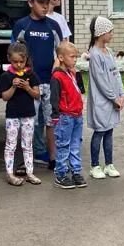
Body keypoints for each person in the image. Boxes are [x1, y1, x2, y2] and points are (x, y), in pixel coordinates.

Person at [11, 0, 63, 169]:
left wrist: (56, 70)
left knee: (50, 121)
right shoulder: (22, 25)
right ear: (30, 3)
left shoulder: (54, 25)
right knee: (28, 122)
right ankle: (27, 160)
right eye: (41, 3)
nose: (45, 7)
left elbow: (61, 51)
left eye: (48, 3)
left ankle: (53, 159)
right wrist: (24, 77)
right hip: (29, 83)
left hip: (49, 82)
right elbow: (15, 53)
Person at [86, 16, 124, 179]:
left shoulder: (108, 52)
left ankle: (109, 164)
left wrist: (122, 94)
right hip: (102, 101)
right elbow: (101, 81)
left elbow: (116, 74)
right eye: (110, 32)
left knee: (109, 132)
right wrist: (113, 98)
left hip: (113, 100)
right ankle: (95, 165)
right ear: (101, 33)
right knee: (100, 132)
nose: (112, 35)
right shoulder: (95, 55)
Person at [0, 42, 41, 186]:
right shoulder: (6, 76)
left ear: (26, 59)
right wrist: (13, 87)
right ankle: (9, 173)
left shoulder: (31, 74)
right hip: (12, 114)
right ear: (9, 59)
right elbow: (5, 97)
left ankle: (29, 172)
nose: (18, 65)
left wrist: (27, 87)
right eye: (15, 62)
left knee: (27, 144)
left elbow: (37, 95)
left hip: (28, 114)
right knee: (11, 144)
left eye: (21, 62)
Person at [50, 41, 85, 189]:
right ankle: (61, 173)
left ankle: (76, 171)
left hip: (77, 114)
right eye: (72, 56)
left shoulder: (72, 73)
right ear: (61, 57)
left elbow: (80, 90)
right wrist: (56, 116)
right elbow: (55, 98)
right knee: (63, 145)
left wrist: (77, 75)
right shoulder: (57, 76)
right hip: (65, 116)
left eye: (76, 56)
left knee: (76, 144)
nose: (75, 59)